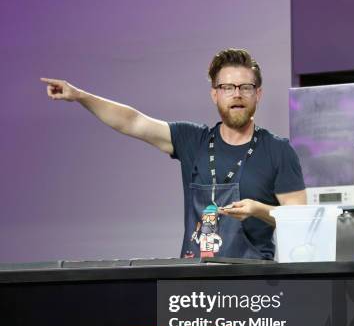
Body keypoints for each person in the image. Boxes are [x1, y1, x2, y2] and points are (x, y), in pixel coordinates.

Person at [41, 48, 306, 260]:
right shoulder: (193, 140)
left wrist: (259, 210)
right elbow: (133, 121)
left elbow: (302, 222)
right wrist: (79, 96)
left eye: (245, 87)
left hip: (254, 292)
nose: (236, 94)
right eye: (227, 87)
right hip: (191, 288)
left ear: (258, 94)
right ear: (214, 94)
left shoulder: (277, 150)